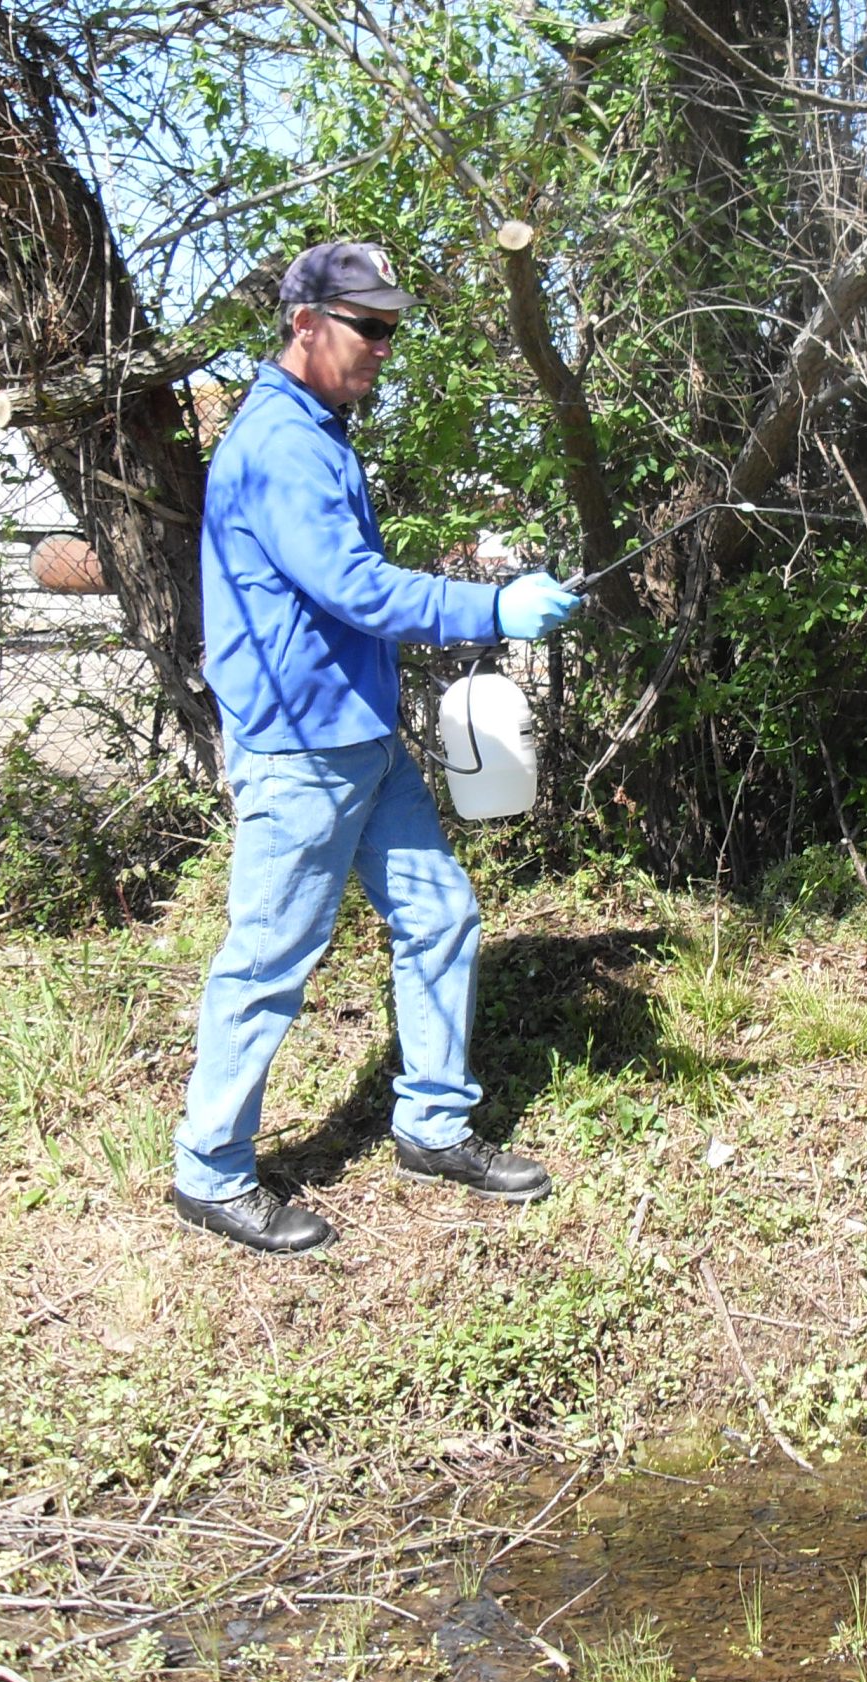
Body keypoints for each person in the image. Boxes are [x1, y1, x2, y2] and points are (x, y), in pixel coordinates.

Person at [170, 240, 583, 1255]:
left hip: (359, 737)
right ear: (305, 322)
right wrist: (493, 606)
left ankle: (432, 1126)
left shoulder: (318, 430)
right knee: (269, 958)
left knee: (440, 916)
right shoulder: (280, 443)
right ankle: (209, 1173)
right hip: (300, 750)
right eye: (370, 326)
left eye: (393, 329)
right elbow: (356, 587)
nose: (384, 347)